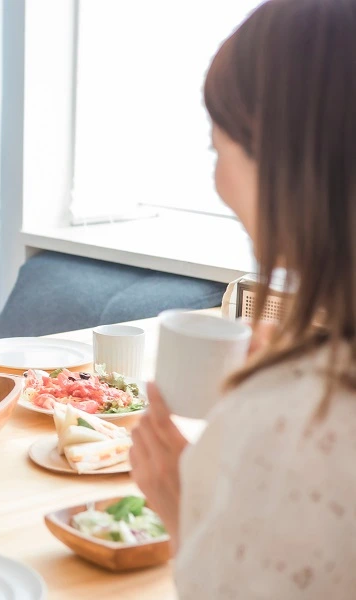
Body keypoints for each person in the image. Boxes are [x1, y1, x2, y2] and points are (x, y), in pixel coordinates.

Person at [129, 0, 356, 596]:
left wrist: (186, 512)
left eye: (217, 150)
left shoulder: (303, 412)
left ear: (286, 162)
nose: (217, 179)